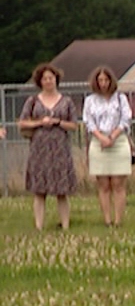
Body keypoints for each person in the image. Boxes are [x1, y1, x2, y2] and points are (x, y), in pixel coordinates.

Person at [20, 63, 78, 231]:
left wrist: (58, 122)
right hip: (39, 149)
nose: (48, 81)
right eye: (44, 78)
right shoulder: (32, 101)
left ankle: (65, 225)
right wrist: (40, 122)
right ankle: (39, 226)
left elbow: (74, 125)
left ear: (56, 79)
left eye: (51, 78)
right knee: (39, 191)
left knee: (62, 191)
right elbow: (22, 122)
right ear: (40, 81)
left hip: (60, 148)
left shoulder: (66, 101)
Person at [82, 67, 135, 227]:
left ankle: (118, 220)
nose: (103, 84)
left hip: (118, 141)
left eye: (106, 80)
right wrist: (101, 138)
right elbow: (88, 121)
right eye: (100, 80)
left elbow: (126, 119)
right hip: (99, 141)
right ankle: (107, 220)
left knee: (118, 184)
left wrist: (112, 137)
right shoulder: (90, 100)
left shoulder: (120, 98)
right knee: (103, 184)